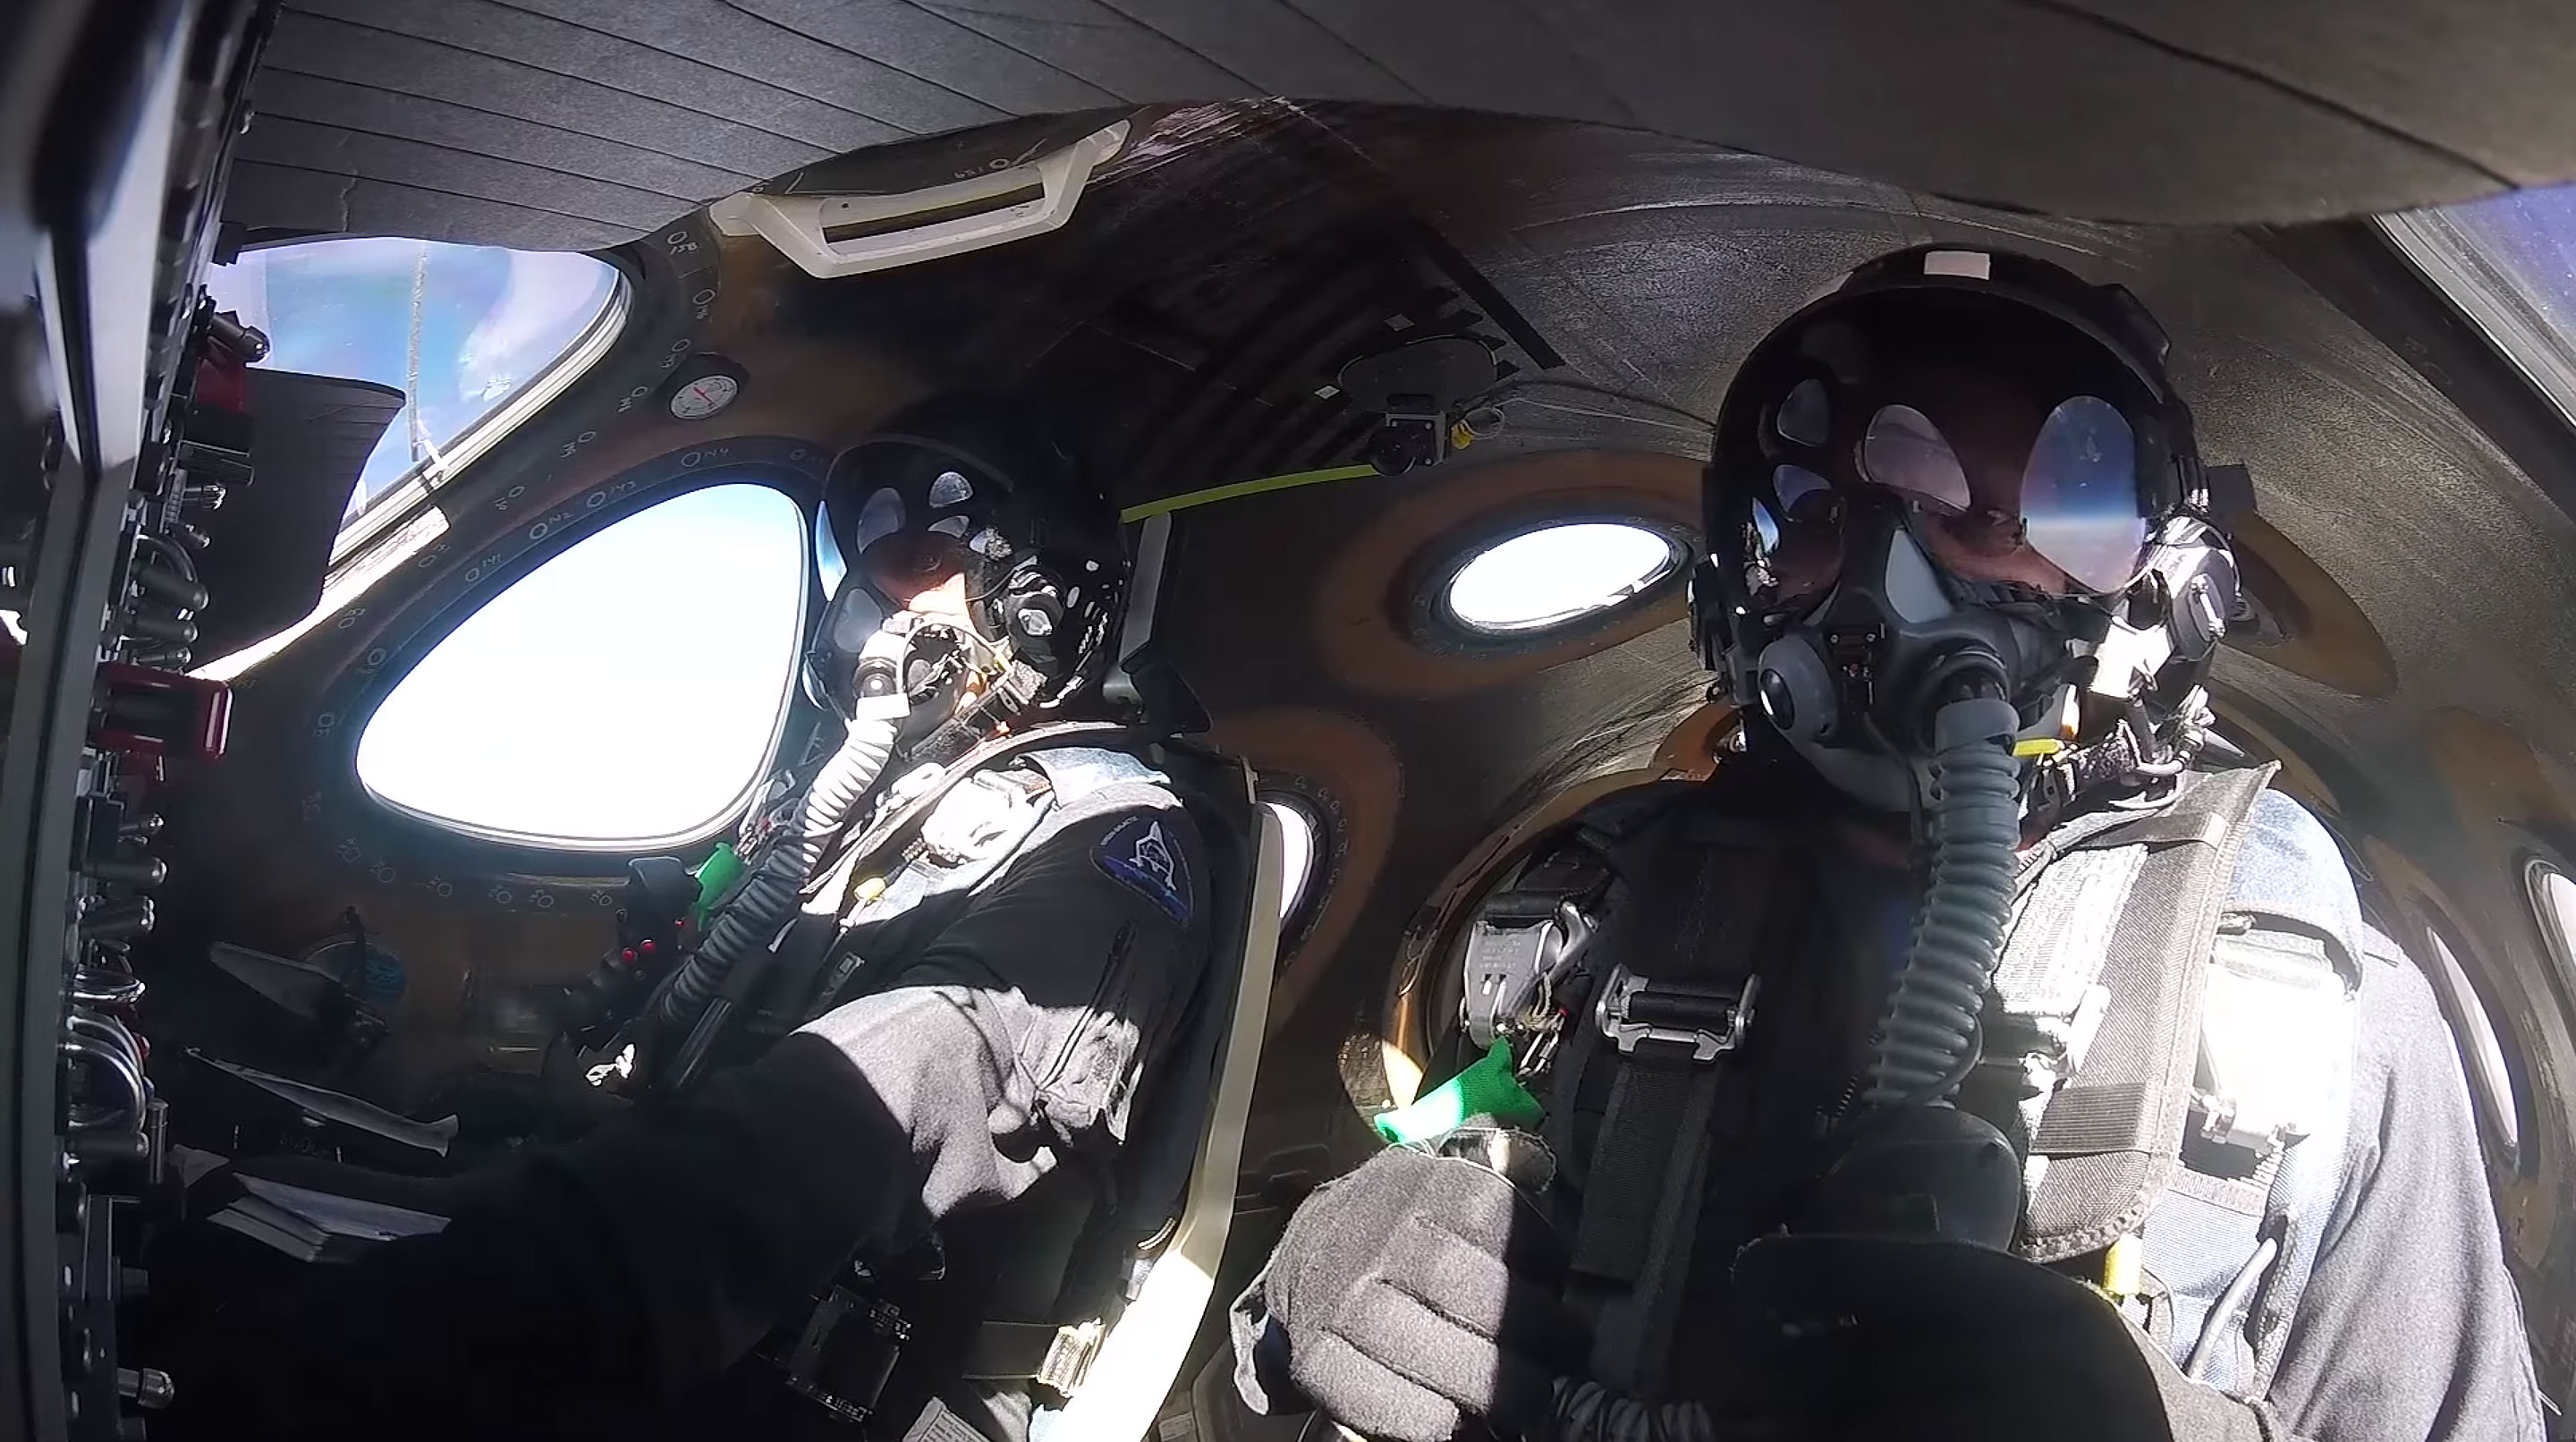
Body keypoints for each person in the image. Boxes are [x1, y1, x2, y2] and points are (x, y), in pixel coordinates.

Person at [1233, 248, 2548, 1442]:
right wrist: (1308, 1290)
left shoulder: (2313, 1016)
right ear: (1742, 578)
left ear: (2149, 581)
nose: (1898, 573)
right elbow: (1452, 1163)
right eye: (1827, 511)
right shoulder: (1585, 911)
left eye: (2009, 515)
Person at [158, 396, 1238, 1442]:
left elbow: (925, 1063)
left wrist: (541, 1268)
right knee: (192, 1215)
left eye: (922, 563)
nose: (882, 615)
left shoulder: (1112, 835)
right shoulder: (886, 804)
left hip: (788, 1365)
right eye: (872, 578)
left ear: (1042, 597)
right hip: (686, 1267)